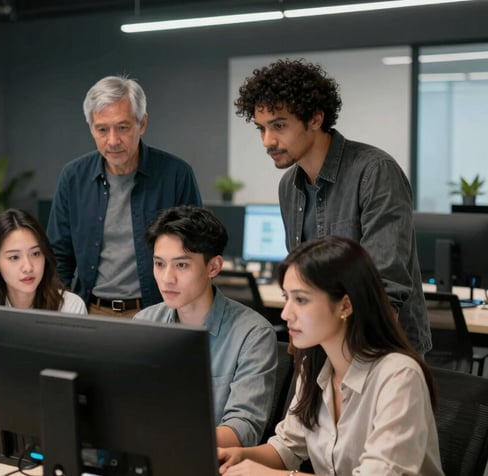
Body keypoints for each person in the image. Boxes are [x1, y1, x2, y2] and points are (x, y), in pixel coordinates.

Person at [234, 59, 431, 355]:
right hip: (322, 344)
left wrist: (360, 361)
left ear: (315, 119)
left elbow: (385, 285)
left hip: (379, 346)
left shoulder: (374, 172)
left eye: (279, 126)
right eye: (261, 128)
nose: (267, 141)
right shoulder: (289, 186)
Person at [218, 235, 443, 475]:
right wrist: (238, 455)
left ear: (345, 305)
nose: (285, 313)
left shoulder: (399, 376)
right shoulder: (315, 366)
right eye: (287, 298)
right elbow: (287, 448)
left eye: (301, 299)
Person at [47, 75, 202, 318]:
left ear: (142, 123)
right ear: (91, 128)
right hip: (91, 310)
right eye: (102, 129)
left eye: (123, 127)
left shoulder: (176, 175)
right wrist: (61, 309)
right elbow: (58, 254)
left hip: (158, 312)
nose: (113, 141)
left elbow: (196, 250)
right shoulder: (73, 177)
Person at [133, 205, 277, 448]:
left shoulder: (253, 334)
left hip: (212, 460)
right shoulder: (144, 323)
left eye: (181, 265)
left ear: (213, 267)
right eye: (159, 264)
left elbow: (244, 427)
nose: (167, 278)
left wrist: (172, 440)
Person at [0, 208, 87, 413]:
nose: (28, 267)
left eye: (35, 253)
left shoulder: (70, 306)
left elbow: (80, 387)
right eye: (14, 257)